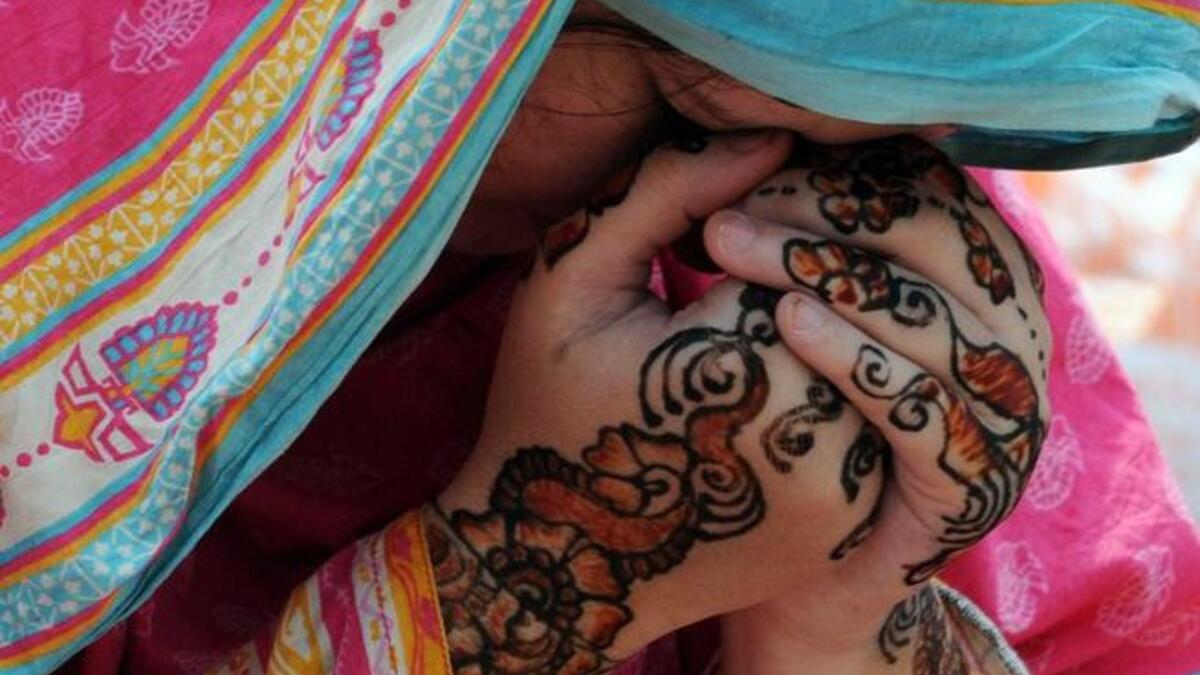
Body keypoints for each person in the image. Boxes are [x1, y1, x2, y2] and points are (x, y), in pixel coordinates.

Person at [1, 1, 1196, 673]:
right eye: (693, 103)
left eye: (915, 136)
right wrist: (498, 588)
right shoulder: (43, 213)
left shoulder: (906, 279)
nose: (784, 221)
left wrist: (846, 614)